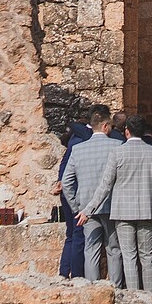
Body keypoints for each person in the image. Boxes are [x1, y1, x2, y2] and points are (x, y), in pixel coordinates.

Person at [78, 114, 152, 291]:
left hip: (123, 212)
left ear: (127, 132)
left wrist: (88, 209)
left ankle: (134, 297)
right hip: (147, 210)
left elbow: (104, 186)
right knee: (147, 257)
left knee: (129, 257)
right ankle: (149, 297)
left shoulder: (117, 153)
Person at [58, 105, 116, 280]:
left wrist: (76, 207)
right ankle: (116, 287)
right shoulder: (118, 145)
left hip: (85, 206)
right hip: (111, 205)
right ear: (105, 126)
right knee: (113, 249)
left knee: (91, 249)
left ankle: (92, 288)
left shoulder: (77, 148)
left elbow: (66, 182)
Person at [56, 117, 94, 278]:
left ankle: (64, 271)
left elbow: (64, 165)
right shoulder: (84, 137)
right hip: (77, 192)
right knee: (79, 235)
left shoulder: (73, 139)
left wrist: (60, 182)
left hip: (66, 191)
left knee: (71, 235)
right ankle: (77, 274)